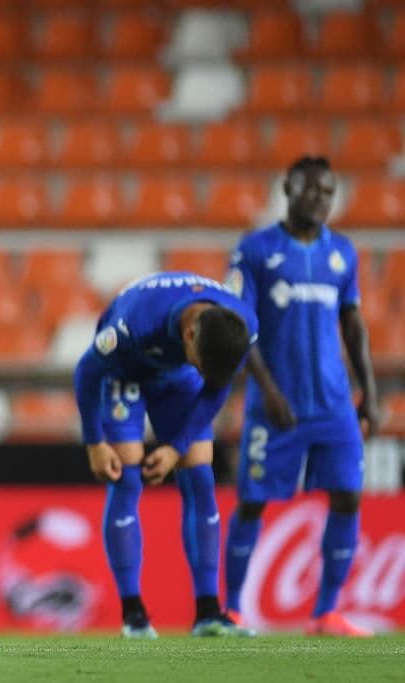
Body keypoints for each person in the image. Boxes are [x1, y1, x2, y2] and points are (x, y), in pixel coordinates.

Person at [223, 157, 379, 637]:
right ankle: (230, 611)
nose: (319, 199)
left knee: (348, 497)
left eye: (328, 192)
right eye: (310, 189)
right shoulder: (255, 251)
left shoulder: (343, 255)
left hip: (333, 405)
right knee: (251, 502)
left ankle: (327, 613)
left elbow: (352, 324)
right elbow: (237, 325)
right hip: (276, 407)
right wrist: (267, 390)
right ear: (287, 188)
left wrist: (369, 393)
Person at [74, 271, 258, 638]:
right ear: (189, 336)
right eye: (199, 363)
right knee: (125, 478)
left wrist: (175, 449)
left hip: (176, 377)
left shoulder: (240, 325)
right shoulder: (135, 323)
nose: (204, 371)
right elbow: (86, 372)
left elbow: (216, 386)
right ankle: (134, 615)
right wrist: (95, 444)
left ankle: (208, 612)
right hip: (125, 371)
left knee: (200, 478)